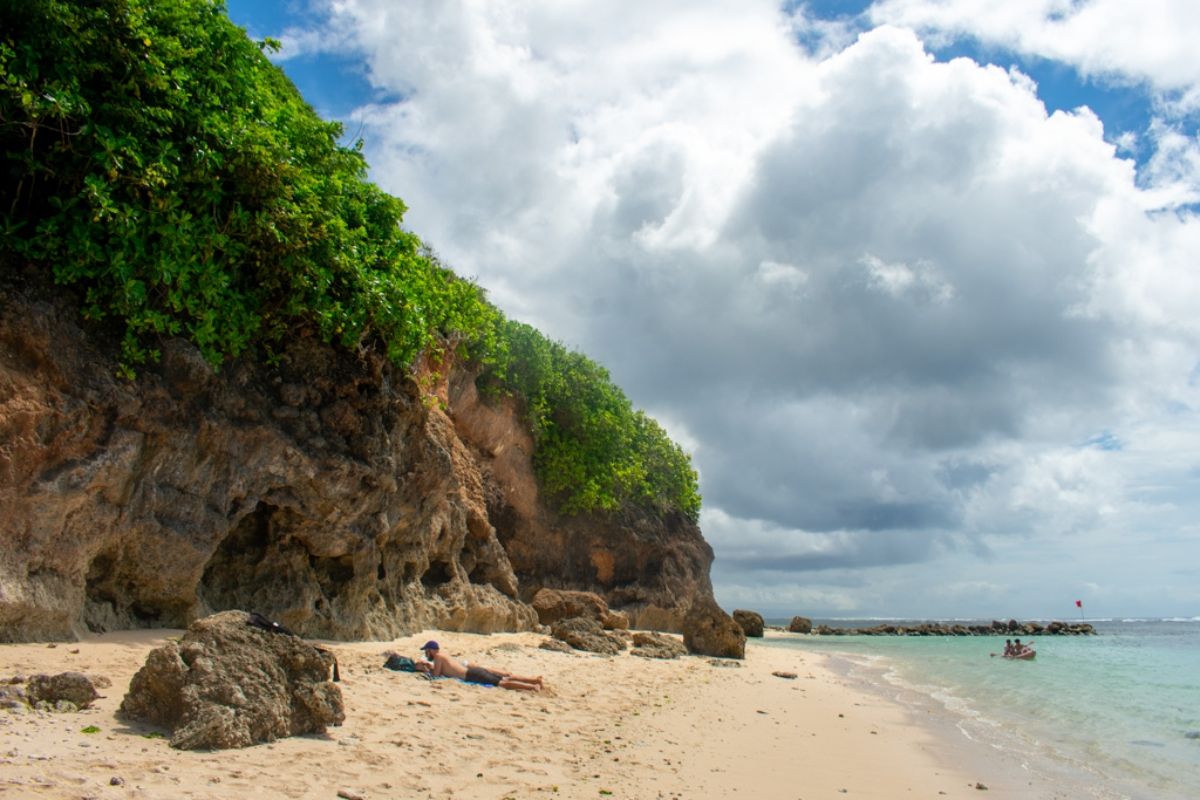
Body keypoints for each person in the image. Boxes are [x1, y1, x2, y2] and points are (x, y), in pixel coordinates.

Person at [415, 641, 544, 691]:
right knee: (504, 679)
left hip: (471, 675)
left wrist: (425, 671)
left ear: (431, 650)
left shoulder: (438, 657)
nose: (426, 654)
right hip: (473, 672)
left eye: (426, 651)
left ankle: (532, 686)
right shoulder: (443, 655)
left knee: (503, 683)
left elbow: (436, 676)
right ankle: (534, 681)